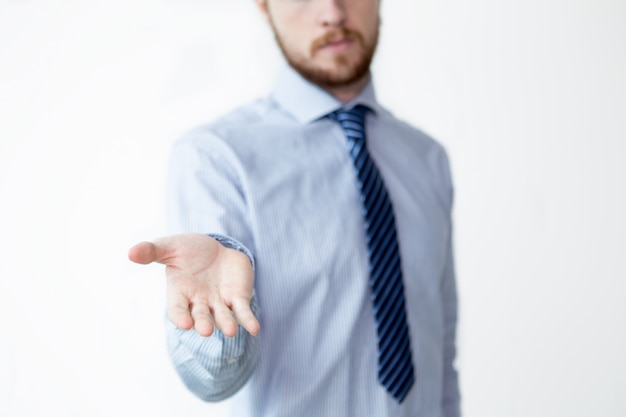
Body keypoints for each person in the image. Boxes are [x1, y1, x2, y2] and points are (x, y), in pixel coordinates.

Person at [128, 0, 461, 416]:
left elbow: (440, 356)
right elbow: (212, 379)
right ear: (264, 7)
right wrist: (220, 325)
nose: (333, 13)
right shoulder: (217, 157)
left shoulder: (427, 160)